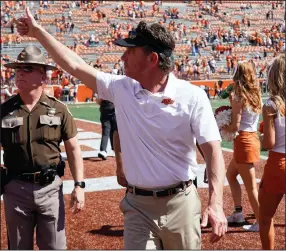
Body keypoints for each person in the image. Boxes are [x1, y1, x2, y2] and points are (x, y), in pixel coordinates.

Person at [16, 10, 227, 249]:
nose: (123, 57)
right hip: (137, 205)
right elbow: (74, 65)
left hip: (181, 203)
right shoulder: (121, 88)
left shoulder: (193, 96)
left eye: (130, 51)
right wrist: (37, 31)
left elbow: (213, 151)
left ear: (152, 59)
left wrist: (216, 203)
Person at [1, 45, 85, 250]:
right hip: (16, 189)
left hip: (50, 189)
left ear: (43, 77)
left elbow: (73, 148)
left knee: (55, 247)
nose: (20, 73)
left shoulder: (58, 109)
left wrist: (79, 185)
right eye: (18, 69)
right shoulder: (4, 110)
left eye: (27, 69)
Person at [222, 61, 262, 232]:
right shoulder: (256, 92)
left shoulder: (239, 95)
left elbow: (236, 125)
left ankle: (261, 221)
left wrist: (222, 125)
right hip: (251, 138)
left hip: (244, 140)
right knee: (230, 175)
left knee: (251, 186)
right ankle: (238, 212)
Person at [259, 54, 285, 249]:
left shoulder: (271, 105)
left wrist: (259, 138)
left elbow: (269, 143)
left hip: (278, 163)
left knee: (266, 216)